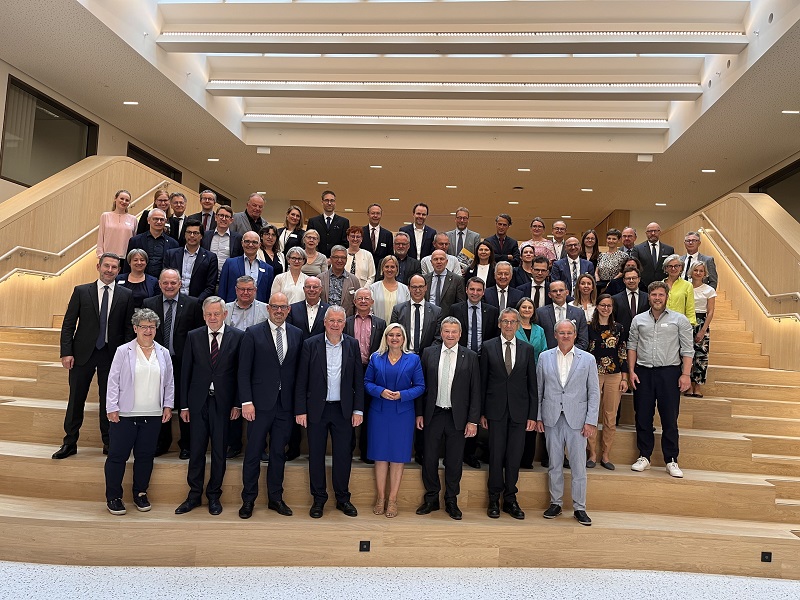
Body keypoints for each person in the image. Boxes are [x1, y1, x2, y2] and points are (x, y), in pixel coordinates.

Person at [54, 253, 135, 459]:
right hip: (82, 355)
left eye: (114, 267)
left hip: (112, 355)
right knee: (76, 399)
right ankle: (69, 442)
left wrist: (126, 355)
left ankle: (109, 443)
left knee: (109, 400)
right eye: (106, 266)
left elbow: (128, 329)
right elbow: (69, 324)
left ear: (119, 270)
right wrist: (66, 352)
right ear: (98, 267)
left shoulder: (126, 295)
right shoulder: (81, 291)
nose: (110, 270)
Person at [174, 297, 245, 516]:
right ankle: (194, 495)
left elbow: (240, 373)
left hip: (223, 403)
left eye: (216, 314)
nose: (212, 318)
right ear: (204, 316)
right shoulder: (194, 336)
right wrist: (184, 405)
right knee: (196, 450)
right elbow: (186, 372)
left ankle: (214, 495)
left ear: (225, 314)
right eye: (208, 314)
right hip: (198, 402)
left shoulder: (238, 336)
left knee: (219, 451)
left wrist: (237, 403)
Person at [237, 293, 303, 519]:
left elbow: (298, 373)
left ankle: (276, 498)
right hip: (258, 405)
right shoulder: (253, 333)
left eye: (283, 307)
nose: (279, 310)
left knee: (278, 454)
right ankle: (248, 500)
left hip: (285, 406)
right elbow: (243, 371)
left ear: (288, 310)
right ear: (268, 308)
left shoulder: (297, 334)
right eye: (275, 306)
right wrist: (246, 402)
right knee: (253, 453)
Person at [295, 306, 365, 518]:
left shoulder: (352, 344)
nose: (335, 324)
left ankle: (343, 498)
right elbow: (301, 380)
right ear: (325, 322)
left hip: (343, 410)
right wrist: (300, 410)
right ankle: (318, 499)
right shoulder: (310, 344)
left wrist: (358, 409)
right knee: (316, 455)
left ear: (345, 323)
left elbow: (358, 381)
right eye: (332, 320)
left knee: (343, 456)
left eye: (339, 321)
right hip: (317, 409)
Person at [104, 308, 173, 515]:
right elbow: (113, 381)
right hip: (125, 415)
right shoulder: (123, 351)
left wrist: (168, 405)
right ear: (135, 328)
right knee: (117, 457)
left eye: (152, 327)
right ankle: (114, 497)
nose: (148, 330)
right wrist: (112, 407)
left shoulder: (163, 352)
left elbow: (169, 383)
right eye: (143, 326)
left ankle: (140, 493)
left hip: (153, 414)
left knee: (145, 457)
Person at [536, 319, 600, 526]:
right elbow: (539, 389)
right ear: (555, 335)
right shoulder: (544, 357)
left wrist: (591, 421)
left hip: (578, 420)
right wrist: (539, 416)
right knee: (554, 464)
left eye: (569, 333)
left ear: (575, 335)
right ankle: (555, 503)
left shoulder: (588, 359)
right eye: (561, 333)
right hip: (551, 417)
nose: (565, 336)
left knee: (578, 466)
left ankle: (579, 507)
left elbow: (594, 392)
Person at [628, 282, 694, 479]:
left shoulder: (679, 320)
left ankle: (671, 459)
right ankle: (644, 456)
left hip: (669, 373)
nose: (657, 298)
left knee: (669, 418)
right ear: (649, 297)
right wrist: (631, 371)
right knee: (642, 416)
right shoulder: (638, 319)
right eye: (654, 295)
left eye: (661, 295)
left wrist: (686, 374)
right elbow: (632, 346)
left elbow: (688, 349)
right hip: (643, 373)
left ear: (667, 297)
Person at [416, 317, 480, 520]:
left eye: (454, 332)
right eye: (446, 331)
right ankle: (431, 498)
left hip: (457, 416)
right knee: (429, 458)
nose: (450, 335)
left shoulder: (470, 356)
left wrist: (473, 420)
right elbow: (421, 386)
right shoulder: (428, 353)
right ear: (441, 333)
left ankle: (451, 500)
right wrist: (419, 413)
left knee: (454, 461)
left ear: (460, 334)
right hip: (433, 414)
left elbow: (475, 390)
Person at [481, 308, 538, 520]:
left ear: (518, 325)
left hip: (519, 412)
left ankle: (510, 499)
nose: (508, 325)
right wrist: (482, 413)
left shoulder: (527, 349)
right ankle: (493, 499)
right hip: (495, 411)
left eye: (513, 322)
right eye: (505, 321)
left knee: (514, 456)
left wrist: (532, 415)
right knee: (496, 455)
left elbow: (532, 385)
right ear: (499, 324)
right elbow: (482, 382)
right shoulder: (488, 347)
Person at [364, 323, 426, 518]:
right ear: (386, 337)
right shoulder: (376, 358)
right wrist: (380, 391)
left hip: (402, 413)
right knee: (380, 456)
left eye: (398, 335)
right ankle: (380, 498)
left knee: (398, 457)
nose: (395, 338)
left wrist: (402, 395)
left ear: (404, 338)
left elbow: (420, 386)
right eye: (391, 335)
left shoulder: (413, 359)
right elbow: (367, 383)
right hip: (380, 412)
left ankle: (392, 500)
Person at [142, 269, 204, 458]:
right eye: (165, 283)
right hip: (157, 363)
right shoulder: (149, 304)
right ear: (159, 284)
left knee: (185, 402)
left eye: (173, 283)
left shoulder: (193, 304)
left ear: (180, 284)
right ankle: (161, 442)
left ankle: (186, 444)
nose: (169, 286)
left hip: (184, 363)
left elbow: (199, 335)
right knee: (160, 402)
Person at [223, 275, 269, 459]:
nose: (245, 292)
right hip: (229, 362)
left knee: (257, 406)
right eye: (242, 289)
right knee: (231, 402)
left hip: (257, 363)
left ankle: (259, 447)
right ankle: (234, 444)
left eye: (249, 289)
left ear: (255, 290)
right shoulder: (225, 309)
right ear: (236, 290)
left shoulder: (265, 309)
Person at [345, 288, 387, 463]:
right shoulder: (346, 322)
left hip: (371, 372)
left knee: (369, 411)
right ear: (354, 302)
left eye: (366, 298)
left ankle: (366, 451)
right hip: (350, 371)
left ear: (372, 302)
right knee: (348, 409)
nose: (363, 301)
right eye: (360, 298)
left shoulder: (381, 323)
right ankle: (347, 450)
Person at [586, 294, 628, 470]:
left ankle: (606, 454)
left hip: (614, 374)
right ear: (597, 306)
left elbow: (622, 352)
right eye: (603, 305)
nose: (606, 308)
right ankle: (592, 453)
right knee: (592, 414)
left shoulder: (619, 328)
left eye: (609, 306)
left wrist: (624, 378)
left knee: (610, 416)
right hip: (593, 374)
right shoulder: (588, 327)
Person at [515, 297, 547, 470]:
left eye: (530, 307)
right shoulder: (513, 327)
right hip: (515, 377)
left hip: (534, 377)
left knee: (531, 415)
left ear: (533, 311)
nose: (527, 310)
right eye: (524, 307)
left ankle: (527, 458)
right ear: (518, 309)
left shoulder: (539, 330)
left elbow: (543, 353)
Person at [165, 219, 219, 301]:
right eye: (189, 232)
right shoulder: (171, 254)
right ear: (184, 234)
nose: (192, 235)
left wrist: (196, 302)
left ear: (201, 236)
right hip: (172, 299)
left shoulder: (210, 258)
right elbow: (165, 279)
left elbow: (210, 286)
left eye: (196, 233)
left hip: (197, 302)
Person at [218, 231, 274, 304]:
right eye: (247, 241)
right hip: (233, 308)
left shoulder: (268, 269)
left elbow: (268, 295)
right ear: (242, 243)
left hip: (258, 309)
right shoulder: (230, 264)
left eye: (254, 242)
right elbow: (222, 289)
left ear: (259, 245)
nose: (250, 245)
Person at [689, 262, 717, 398]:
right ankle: (688, 385)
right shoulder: (686, 287)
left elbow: (710, 312)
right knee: (686, 355)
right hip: (686, 321)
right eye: (696, 270)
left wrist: (703, 330)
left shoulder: (709, 290)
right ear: (691, 272)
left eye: (701, 271)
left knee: (701, 356)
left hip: (701, 322)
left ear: (705, 273)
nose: (698, 273)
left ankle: (697, 386)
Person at [536, 280, 589, 351]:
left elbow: (583, 341)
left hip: (573, 355)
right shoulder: (540, 313)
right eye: (554, 291)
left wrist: (568, 352)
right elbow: (538, 340)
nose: (558, 293)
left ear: (567, 292)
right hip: (548, 355)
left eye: (561, 290)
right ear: (549, 295)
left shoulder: (579, 313)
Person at [125, 208, 179, 278]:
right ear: (148, 220)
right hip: (139, 280)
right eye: (155, 219)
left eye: (162, 219)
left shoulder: (173, 244)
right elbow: (128, 263)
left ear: (165, 221)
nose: (159, 222)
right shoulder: (135, 240)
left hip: (163, 281)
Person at [201, 205, 244, 278]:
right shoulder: (205, 235)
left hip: (228, 277)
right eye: (221, 215)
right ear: (216, 217)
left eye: (227, 216)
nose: (224, 219)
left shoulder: (238, 238)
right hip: (206, 277)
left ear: (231, 220)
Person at [306, 190, 350, 257]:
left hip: (336, 259)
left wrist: (334, 257)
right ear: (322, 202)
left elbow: (345, 243)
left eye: (332, 200)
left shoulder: (344, 222)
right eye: (326, 200)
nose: (329, 203)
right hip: (316, 258)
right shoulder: (313, 221)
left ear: (335, 202)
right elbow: (309, 240)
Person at [320, 245, 362, 315]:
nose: (339, 260)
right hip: (323, 319)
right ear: (331, 259)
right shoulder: (320, 278)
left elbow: (357, 304)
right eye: (336, 257)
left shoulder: (354, 280)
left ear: (346, 260)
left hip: (346, 320)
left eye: (343, 257)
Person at [423, 250, 466, 318]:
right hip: (428, 317)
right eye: (435, 259)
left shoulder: (457, 280)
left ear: (446, 262)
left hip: (448, 318)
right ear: (431, 262)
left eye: (442, 259)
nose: (439, 262)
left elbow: (460, 304)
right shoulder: (424, 279)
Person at [97, 189, 137, 259]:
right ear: (115, 198)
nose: (124, 202)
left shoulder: (133, 219)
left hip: (126, 258)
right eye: (121, 198)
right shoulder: (105, 216)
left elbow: (135, 240)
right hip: (108, 257)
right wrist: (100, 254)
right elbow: (100, 237)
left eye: (127, 200)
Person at [370, 255, 411, 323]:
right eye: (386, 267)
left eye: (392, 267)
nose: (389, 270)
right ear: (382, 268)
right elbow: (370, 310)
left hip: (398, 327)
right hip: (378, 327)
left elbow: (407, 311)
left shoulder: (405, 289)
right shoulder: (373, 288)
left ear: (397, 269)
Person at [631, 222, 675, 286]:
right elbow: (634, 268)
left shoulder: (669, 249)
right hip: (643, 285)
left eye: (655, 231)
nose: (653, 233)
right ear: (646, 233)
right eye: (650, 231)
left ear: (660, 232)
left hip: (663, 285)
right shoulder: (637, 249)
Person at [611, 266, 649, 338]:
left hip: (643, 337)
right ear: (624, 280)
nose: (631, 281)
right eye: (628, 278)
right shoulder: (615, 299)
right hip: (622, 337)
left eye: (634, 278)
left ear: (639, 279)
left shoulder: (647, 297)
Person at [663, 254, 697, 326]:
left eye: (676, 266)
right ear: (666, 268)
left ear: (681, 268)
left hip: (680, 324)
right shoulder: (660, 285)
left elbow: (690, 308)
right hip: (662, 323)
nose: (673, 269)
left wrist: (691, 325)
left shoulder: (687, 286)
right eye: (670, 266)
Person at [361, 203, 394, 270]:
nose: (375, 216)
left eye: (378, 213)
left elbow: (390, 255)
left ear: (381, 215)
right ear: (368, 214)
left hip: (381, 271)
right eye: (373, 213)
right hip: (363, 269)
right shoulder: (361, 232)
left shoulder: (387, 234)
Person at [595, 228, 627, 294]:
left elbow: (622, 272)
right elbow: (596, 271)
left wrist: (611, 283)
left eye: (614, 239)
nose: (611, 241)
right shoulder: (601, 255)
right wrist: (598, 282)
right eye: (609, 238)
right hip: (601, 286)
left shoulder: (623, 256)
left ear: (619, 240)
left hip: (615, 286)